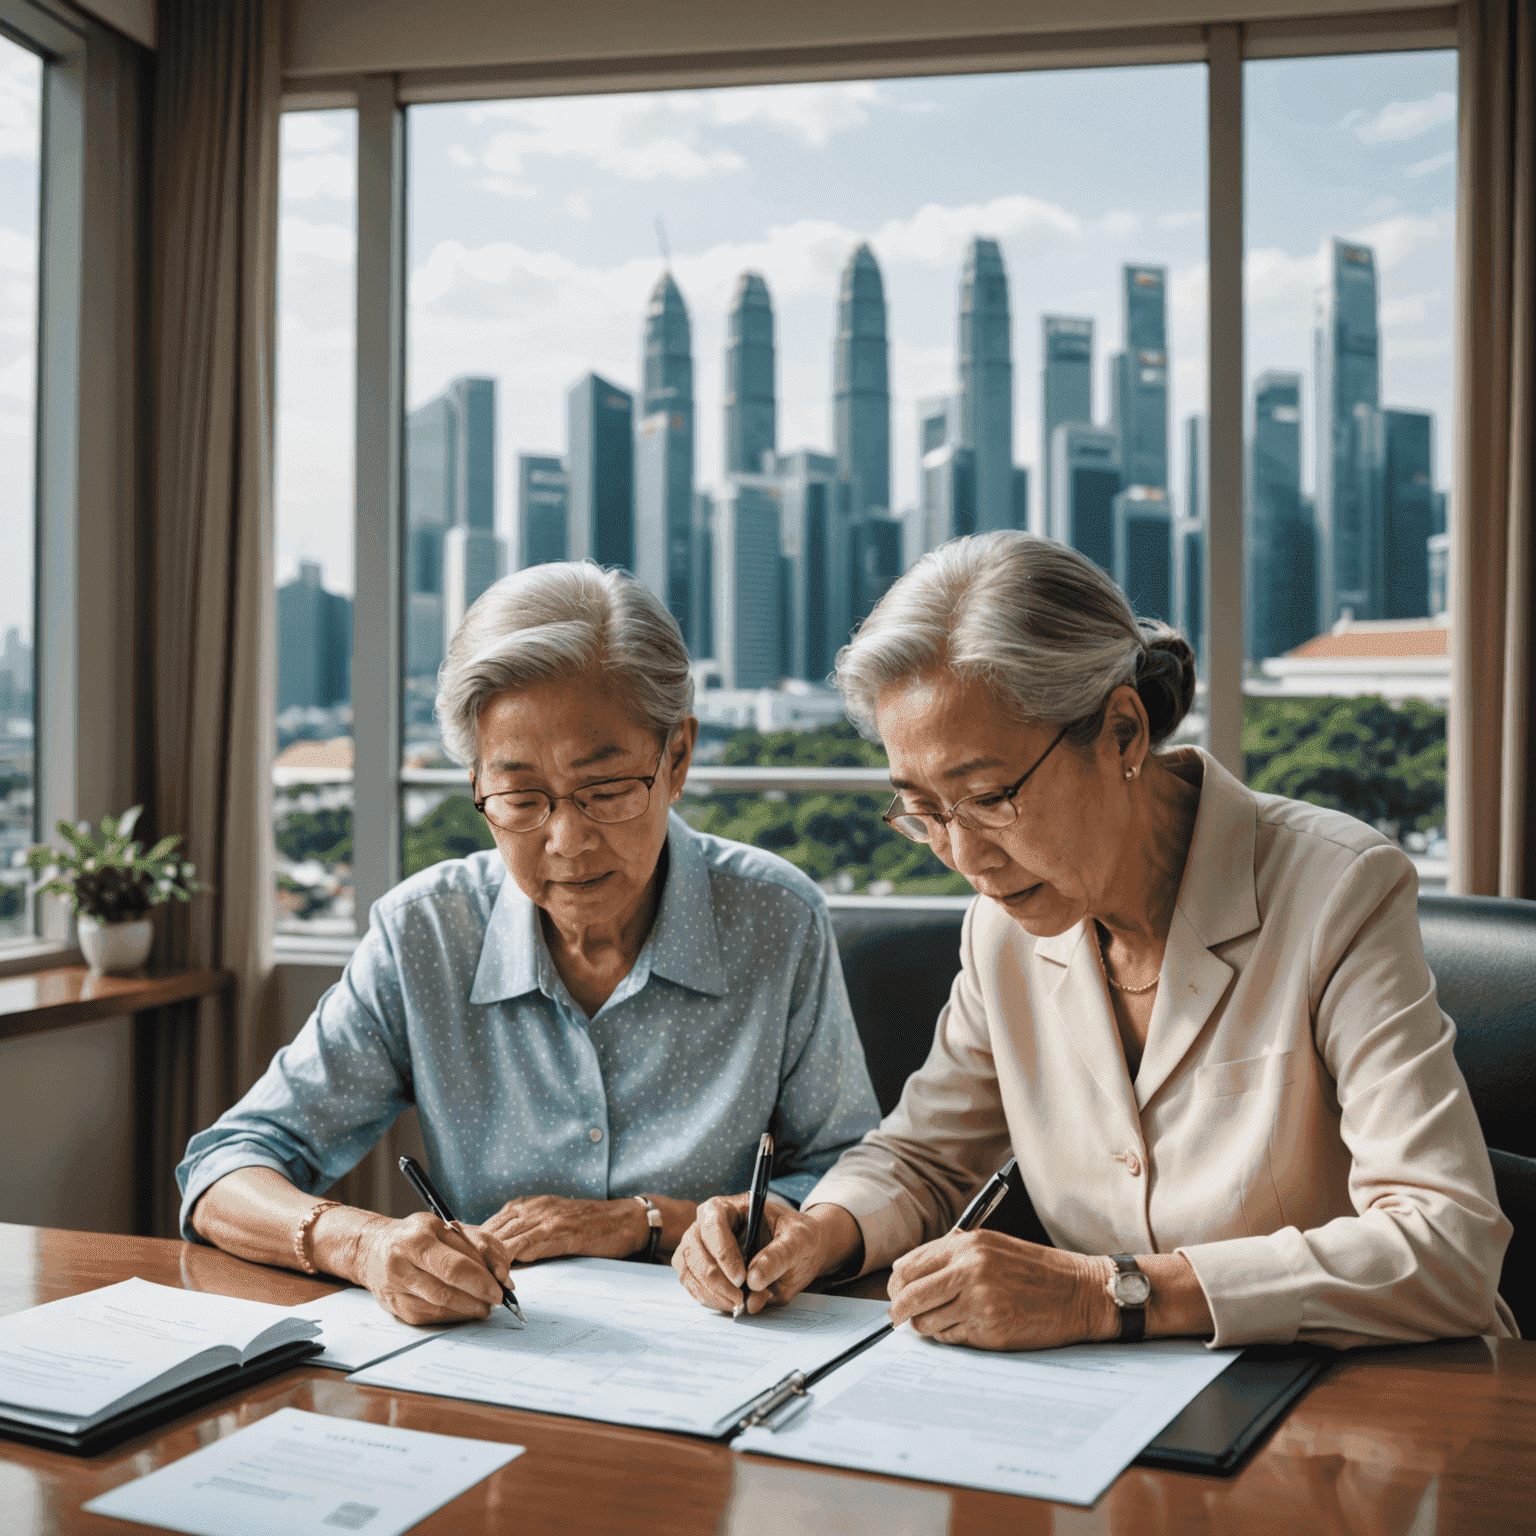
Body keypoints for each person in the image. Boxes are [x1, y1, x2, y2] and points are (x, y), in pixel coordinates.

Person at [675, 530, 1515, 1350]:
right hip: (1121, 1419)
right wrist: (816, 1230)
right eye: (924, 811)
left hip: (1355, 1407)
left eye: (991, 795)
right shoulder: (1002, 927)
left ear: (1122, 733)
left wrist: (1106, 1292)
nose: (964, 856)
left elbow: (1447, 1244)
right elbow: (927, 1158)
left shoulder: (1338, 890)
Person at [179, 562, 878, 1324]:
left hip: (728, 1354)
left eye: (606, 790)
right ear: (476, 785)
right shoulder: (426, 934)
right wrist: (364, 1245)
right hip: (499, 1357)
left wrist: (648, 1221)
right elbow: (225, 1166)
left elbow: (852, 1183)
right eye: (519, 798)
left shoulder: (776, 920)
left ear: (676, 758)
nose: (567, 841)